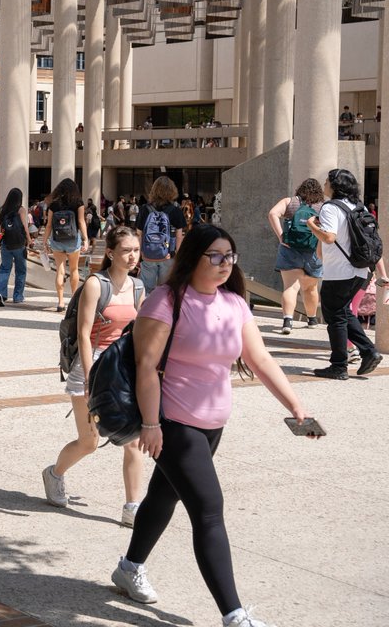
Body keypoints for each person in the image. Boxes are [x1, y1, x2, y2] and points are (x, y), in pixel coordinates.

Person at [112, 225, 316, 627]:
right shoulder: (166, 300)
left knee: (162, 496)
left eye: (230, 256)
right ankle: (234, 614)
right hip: (174, 422)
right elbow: (147, 367)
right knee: (208, 511)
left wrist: (296, 406)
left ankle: (129, 566)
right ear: (194, 257)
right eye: (216, 256)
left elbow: (259, 360)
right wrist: (151, 424)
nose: (226, 264)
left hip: (212, 423)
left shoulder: (235, 304)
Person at [43, 226, 146, 525]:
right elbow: (84, 335)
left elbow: (139, 334)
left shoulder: (139, 287)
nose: (132, 256)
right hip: (93, 365)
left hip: (123, 367)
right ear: (111, 252)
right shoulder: (95, 285)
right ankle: (54, 474)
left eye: (136, 250)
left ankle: (132, 507)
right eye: (126, 250)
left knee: (133, 441)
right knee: (89, 441)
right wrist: (90, 378)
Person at [306, 168, 383, 379]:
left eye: (327, 182)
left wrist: (312, 225)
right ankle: (368, 351)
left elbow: (329, 237)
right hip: (359, 270)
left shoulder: (330, 208)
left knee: (335, 317)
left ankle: (339, 366)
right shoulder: (360, 206)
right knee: (343, 312)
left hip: (339, 271)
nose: (324, 185)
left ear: (335, 185)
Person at [266, 179, 324, 335]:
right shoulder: (322, 206)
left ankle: (287, 320)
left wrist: (281, 237)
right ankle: (311, 319)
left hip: (289, 249)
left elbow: (272, 213)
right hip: (313, 251)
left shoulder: (290, 202)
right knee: (310, 288)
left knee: (290, 287)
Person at [43, 178, 89, 312]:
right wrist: (85, 239)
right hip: (73, 240)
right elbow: (81, 222)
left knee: (60, 271)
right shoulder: (78, 203)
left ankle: (61, 302)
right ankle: (74, 300)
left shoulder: (54, 204)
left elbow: (49, 225)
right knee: (74, 269)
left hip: (57, 240)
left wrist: (45, 241)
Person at [136, 176, 187, 293]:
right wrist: (178, 256)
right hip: (168, 255)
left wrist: (139, 254)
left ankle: (146, 309)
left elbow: (139, 234)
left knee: (147, 289)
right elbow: (179, 236)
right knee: (166, 290)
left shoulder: (145, 209)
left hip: (147, 255)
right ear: (172, 191)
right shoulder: (176, 211)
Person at [0, 187, 30, 306]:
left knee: (4, 269)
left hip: (6, 244)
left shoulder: (4, 209)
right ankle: (18, 296)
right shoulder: (21, 210)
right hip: (19, 245)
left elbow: (1, 229)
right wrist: (29, 240)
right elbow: (25, 226)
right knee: (21, 270)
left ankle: (0, 293)